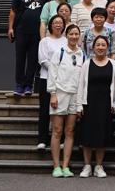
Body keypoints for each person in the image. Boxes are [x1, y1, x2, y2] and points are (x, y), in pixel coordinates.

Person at [46, 22, 85, 178]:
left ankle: (65, 166)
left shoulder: (82, 54)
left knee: (70, 131)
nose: (74, 36)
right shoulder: (59, 52)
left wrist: (81, 101)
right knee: (57, 131)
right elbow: (52, 74)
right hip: (60, 94)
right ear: (66, 35)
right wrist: (53, 94)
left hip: (75, 96)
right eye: (71, 34)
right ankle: (56, 166)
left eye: (76, 34)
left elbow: (83, 80)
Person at [77, 33, 115, 178]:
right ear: (93, 47)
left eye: (103, 45)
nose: (100, 47)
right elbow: (81, 85)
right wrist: (79, 105)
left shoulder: (113, 65)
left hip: (105, 105)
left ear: (107, 47)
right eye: (98, 45)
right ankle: (87, 166)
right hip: (89, 104)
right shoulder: (87, 64)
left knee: (102, 135)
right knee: (87, 135)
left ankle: (99, 166)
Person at [9, 0, 49, 96]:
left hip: (36, 33)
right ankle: (19, 85)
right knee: (20, 59)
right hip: (21, 31)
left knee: (33, 59)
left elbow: (47, 14)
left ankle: (28, 85)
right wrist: (10, 28)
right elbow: (13, 11)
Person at [36, 14, 66, 151]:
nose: (58, 25)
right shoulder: (45, 41)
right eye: (55, 23)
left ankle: (61, 139)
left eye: (60, 23)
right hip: (46, 78)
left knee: (61, 110)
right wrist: (57, 70)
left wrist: (62, 71)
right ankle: (42, 140)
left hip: (63, 81)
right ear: (51, 25)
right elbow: (43, 60)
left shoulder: (67, 41)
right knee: (44, 110)